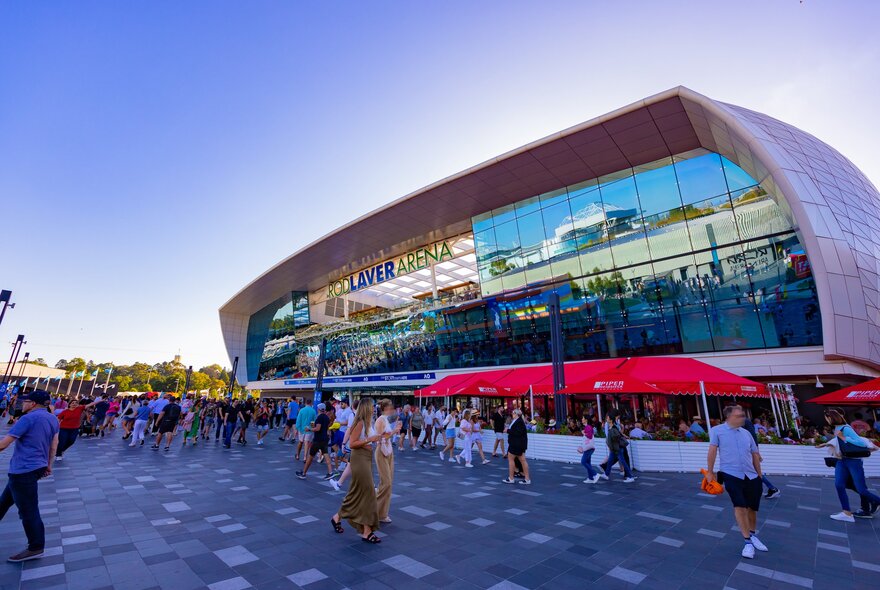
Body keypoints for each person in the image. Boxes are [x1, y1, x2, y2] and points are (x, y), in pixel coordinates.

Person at [0, 390, 60, 562]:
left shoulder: (28, 418)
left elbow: (4, 444)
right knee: (4, 502)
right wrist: (49, 465)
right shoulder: (52, 419)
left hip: (23, 470)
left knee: (28, 511)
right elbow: (53, 445)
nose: (22, 404)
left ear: (33, 403)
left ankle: (35, 547)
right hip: (35, 468)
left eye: (25, 401)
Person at [706, 405, 768, 559]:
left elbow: (754, 454)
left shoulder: (746, 433)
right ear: (729, 417)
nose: (743, 418)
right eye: (739, 415)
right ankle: (747, 542)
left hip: (751, 475)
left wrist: (759, 475)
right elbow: (712, 451)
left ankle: (752, 535)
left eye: (743, 415)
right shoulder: (717, 431)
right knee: (739, 505)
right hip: (731, 474)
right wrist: (710, 472)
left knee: (752, 508)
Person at [330, 398, 382, 543]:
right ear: (366, 408)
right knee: (368, 493)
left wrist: (377, 438)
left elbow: (367, 439)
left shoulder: (366, 422)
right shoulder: (359, 422)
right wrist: (369, 440)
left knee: (358, 493)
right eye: (372, 407)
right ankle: (366, 531)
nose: (374, 409)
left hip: (365, 458)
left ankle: (337, 517)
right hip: (359, 459)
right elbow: (352, 444)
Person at [822, 409, 880, 522]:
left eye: (827, 418)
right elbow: (839, 442)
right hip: (842, 460)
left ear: (831, 417)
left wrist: (844, 437)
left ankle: (876, 502)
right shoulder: (837, 428)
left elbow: (861, 443)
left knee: (861, 489)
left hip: (853, 461)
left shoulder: (846, 428)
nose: (826, 420)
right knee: (839, 485)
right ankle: (846, 513)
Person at [374, 399, 401, 523]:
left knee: (388, 483)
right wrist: (394, 431)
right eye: (390, 408)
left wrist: (395, 429)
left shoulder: (385, 419)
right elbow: (379, 437)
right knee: (386, 483)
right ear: (385, 408)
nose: (392, 410)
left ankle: (382, 514)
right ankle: (375, 509)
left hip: (389, 450)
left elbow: (387, 435)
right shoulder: (380, 420)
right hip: (381, 451)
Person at [743, 418, 781, 499]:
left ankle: (772, 488)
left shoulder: (745, 421)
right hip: (744, 451)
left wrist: (757, 453)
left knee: (755, 471)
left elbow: (753, 437)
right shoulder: (738, 422)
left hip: (748, 451)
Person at [296, 403, 334, 480]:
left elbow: (318, 429)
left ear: (319, 409)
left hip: (318, 440)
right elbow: (325, 427)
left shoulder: (319, 417)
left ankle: (303, 473)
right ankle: (330, 472)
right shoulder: (326, 417)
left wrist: (309, 429)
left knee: (310, 457)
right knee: (326, 455)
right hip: (324, 439)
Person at [601, 412, 635, 483]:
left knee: (623, 461)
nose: (606, 419)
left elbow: (616, 439)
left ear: (610, 420)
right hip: (615, 449)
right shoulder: (611, 427)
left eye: (607, 418)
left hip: (617, 449)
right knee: (610, 461)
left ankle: (630, 477)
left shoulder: (613, 428)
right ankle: (606, 474)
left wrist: (612, 446)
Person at [503, 408, 530, 484]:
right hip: (517, 444)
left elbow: (518, 433)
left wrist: (507, 430)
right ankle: (526, 479)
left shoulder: (519, 422)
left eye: (513, 413)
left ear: (517, 414)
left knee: (512, 459)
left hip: (516, 444)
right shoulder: (518, 421)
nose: (512, 414)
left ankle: (511, 478)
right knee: (522, 460)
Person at [579, 415, 598, 483]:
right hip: (589, 447)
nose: (582, 419)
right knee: (588, 462)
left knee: (583, 461)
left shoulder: (588, 427)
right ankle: (590, 478)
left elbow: (589, 436)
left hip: (588, 448)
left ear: (586, 420)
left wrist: (584, 433)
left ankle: (595, 474)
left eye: (583, 418)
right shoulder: (587, 427)